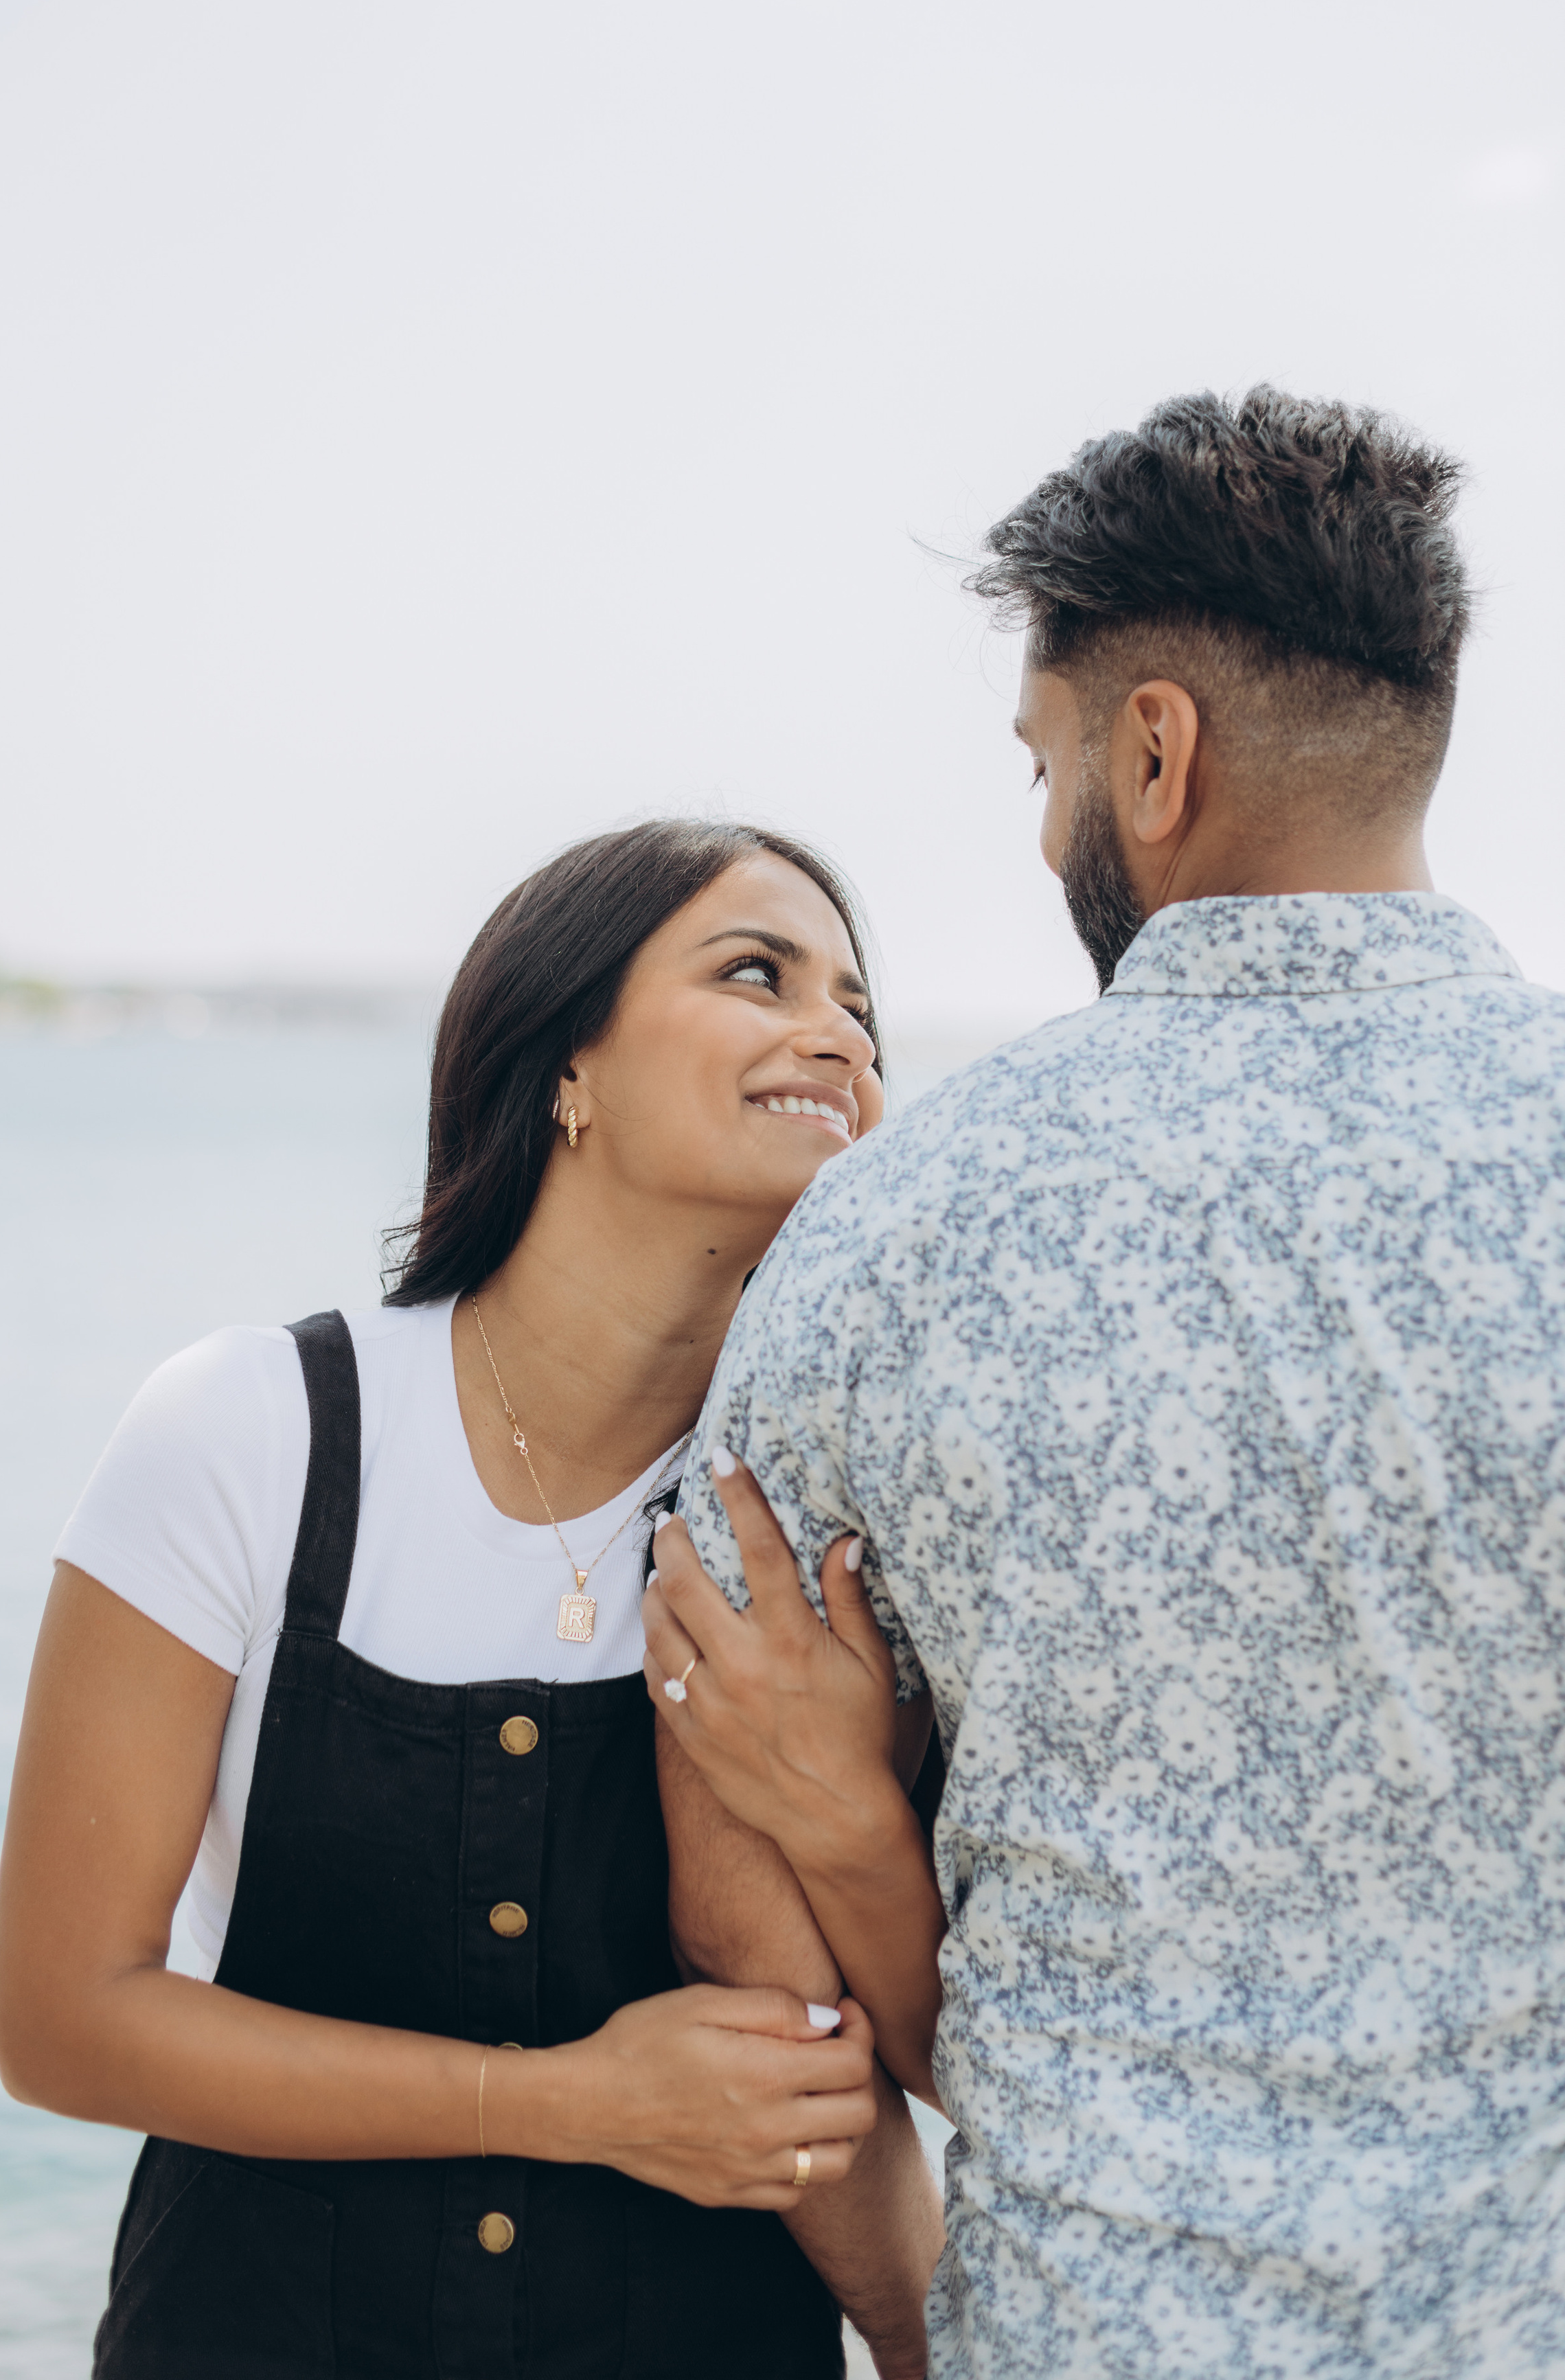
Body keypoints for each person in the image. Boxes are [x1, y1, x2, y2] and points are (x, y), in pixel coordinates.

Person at [642, 389, 1565, 2379]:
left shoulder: (892, 1234)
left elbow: (743, 1912)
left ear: (1156, 753)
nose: (1046, 818)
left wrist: (925, 2324)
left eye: (1046, 758)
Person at [0, 817, 945, 2380]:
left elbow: (929, 2059)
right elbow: (64, 2019)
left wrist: (844, 1804)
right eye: (757, 972)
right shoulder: (248, 1434)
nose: (832, 1032)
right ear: (564, 1061)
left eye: (859, 1009)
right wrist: (573, 2101)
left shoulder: (841, 1531)